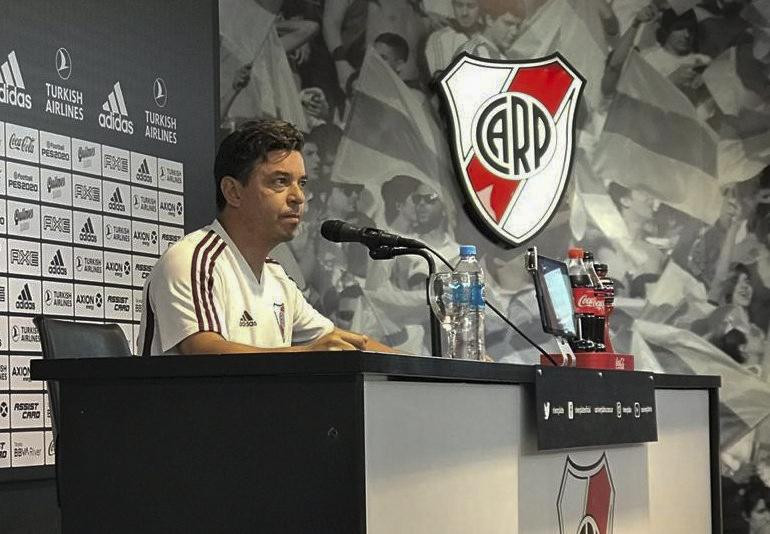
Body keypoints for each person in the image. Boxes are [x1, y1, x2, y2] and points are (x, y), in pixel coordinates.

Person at [137, 119, 393, 355]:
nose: (298, 197)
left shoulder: (276, 276)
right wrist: (305, 356)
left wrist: (422, 369)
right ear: (233, 191)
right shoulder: (193, 259)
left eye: (301, 183)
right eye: (280, 181)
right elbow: (205, 351)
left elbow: (341, 342)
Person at [423, 0, 483, 77]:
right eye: (459, 5)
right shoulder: (440, 38)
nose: (464, 13)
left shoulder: (489, 35)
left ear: (480, 8)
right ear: (453, 6)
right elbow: (440, 80)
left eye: (471, 6)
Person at [455, 0, 523, 60]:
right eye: (508, 24)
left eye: (518, 26)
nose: (514, 32)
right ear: (489, 20)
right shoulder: (478, 53)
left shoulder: (498, 52)